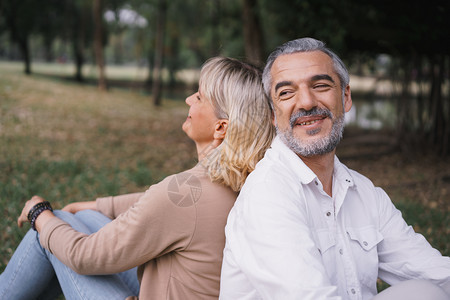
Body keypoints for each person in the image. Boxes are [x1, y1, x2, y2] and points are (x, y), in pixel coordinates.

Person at [0, 56, 275, 300]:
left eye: (200, 97)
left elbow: (84, 257)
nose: (189, 99)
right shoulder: (240, 182)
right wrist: (92, 206)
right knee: (71, 220)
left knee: (48, 231)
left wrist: (40, 213)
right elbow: (155, 205)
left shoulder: (185, 194)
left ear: (220, 127)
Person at [219, 38, 450, 300]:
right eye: (286, 93)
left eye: (320, 86)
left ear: (346, 97)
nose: (306, 102)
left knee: (424, 292)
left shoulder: (364, 193)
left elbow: (433, 272)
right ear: (273, 113)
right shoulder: (267, 193)